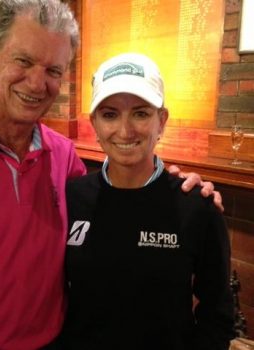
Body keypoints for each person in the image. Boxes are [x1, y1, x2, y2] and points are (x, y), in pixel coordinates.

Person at [0, 1, 223, 349]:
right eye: (23, 61)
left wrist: (177, 186)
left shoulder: (63, 158)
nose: (37, 83)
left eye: (54, 70)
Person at [56, 53, 235, 350]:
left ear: (161, 121)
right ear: (95, 124)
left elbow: (218, 313)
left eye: (140, 113)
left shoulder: (197, 206)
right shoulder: (71, 198)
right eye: (110, 114)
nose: (125, 131)